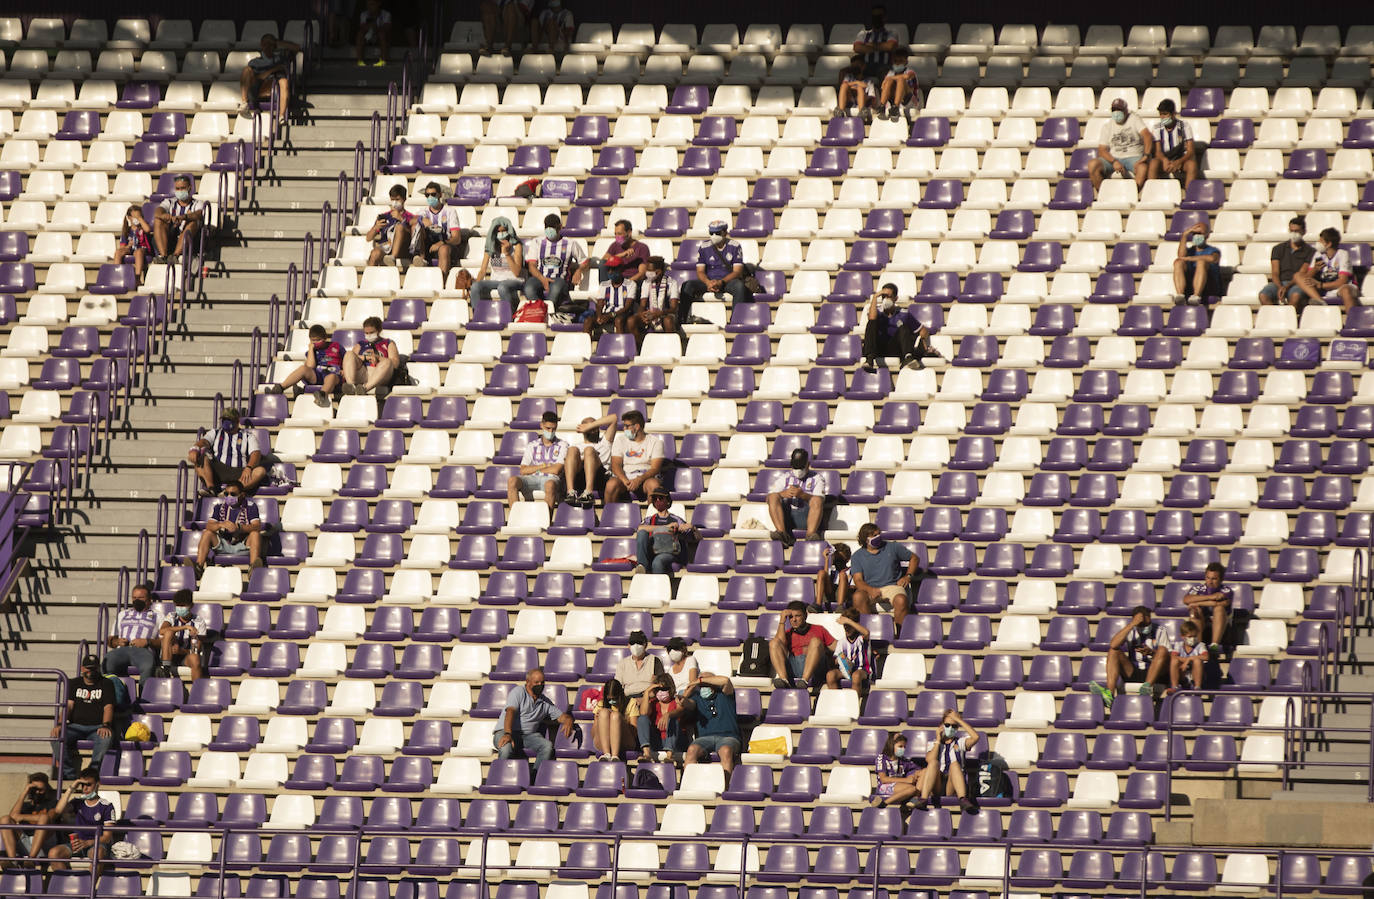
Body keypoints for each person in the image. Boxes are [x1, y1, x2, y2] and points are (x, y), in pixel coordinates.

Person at [594, 631, 664, 761]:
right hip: (625, 698)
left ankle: (636, 746)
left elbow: (660, 685)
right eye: (633, 643)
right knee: (606, 713)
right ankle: (608, 753)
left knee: (638, 713)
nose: (636, 646)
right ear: (628, 645)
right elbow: (617, 686)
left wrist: (645, 698)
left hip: (647, 697)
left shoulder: (655, 661)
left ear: (645, 645)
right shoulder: (623, 663)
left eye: (639, 643)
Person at [494, 667, 575, 774]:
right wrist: (508, 733)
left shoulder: (544, 701)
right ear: (527, 682)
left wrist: (569, 719)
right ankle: (499, 776)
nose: (540, 685)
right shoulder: (518, 692)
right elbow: (510, 712)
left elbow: (561, 716)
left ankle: (535, 777)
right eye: (536, 682)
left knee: (547, 746)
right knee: (505, 748)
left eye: (542, 682)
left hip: (529, 736)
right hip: (506, 731)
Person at [1090, 605, 1171, 707]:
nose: (1145, 627)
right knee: (1113, 651)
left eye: (1147, 624)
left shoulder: (1160, 630)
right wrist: (1132, 624)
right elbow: (1113, 644)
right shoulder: (1131, 630)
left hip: (1155, 672)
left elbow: (1168, 656)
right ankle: (1109, 693)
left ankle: (1147, 687)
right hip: (1134, 671)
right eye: (1142, 624)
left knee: (1162, 650)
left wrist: (1152, 653)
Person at [49, 656, 115, 781]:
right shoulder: (73, 683)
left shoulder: (106, 683)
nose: (91, 671)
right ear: (82, 668)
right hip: (75, 726)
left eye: (94, 668)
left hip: (97, 727)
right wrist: (59, 724)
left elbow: (108, 707)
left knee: (106, 736)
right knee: (56, 736)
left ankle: (92, 773)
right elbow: (68, 706)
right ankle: (69, 774)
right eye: (88, 668)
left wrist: (106, 725)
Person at [45, 768, 115, 872]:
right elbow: (58, 810)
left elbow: (107, 837)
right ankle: (66, 884)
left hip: (96, 844)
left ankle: (89, 887)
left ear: (97, 784)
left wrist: (87, 843)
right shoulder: (78, 802)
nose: (85, 789)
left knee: (97, 853)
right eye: (82, 785)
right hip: (77, 844)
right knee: (53, 853)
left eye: (88, 784)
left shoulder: (106, 806)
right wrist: (72, 787)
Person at [848, 524, 919, 627]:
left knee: (901, 600)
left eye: (879, 534)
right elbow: (858, 580)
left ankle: (900, 635)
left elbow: (914, 558)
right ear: (866, 539)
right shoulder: (857, 556)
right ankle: (868, 633)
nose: (878, 537)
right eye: (874, 535)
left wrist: (908, 576)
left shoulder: (893, 547)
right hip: (870, 588)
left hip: (892, 586)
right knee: (858, 597)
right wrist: (870, 589)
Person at [679, 221, 750, 323]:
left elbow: (737, 272)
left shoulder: (735, 246)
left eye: (717, 233)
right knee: (687, 285)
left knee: (739, 287)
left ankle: (736, 320)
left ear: (725, 233)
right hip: (710, 281)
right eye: (711, 233)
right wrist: (708, 282)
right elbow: (700, 271)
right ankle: (682, 319)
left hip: (727, 281)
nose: (714, 236)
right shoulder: (704, 247)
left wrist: (721, 282)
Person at [911, 709, 979, 814]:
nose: (950, 728)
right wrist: (938, 740)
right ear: (941, 725)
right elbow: (929, 760)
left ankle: (963, 799)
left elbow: (975, 737)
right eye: (947, 725)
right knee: (933, 763)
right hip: (937, 782)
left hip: (952, 784)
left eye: (954, 726)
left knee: (955, 764)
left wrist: (958, 720)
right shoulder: (933, 743)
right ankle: (923, 799)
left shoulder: (960, 742)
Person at [187, 407, 266, 497]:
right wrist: (195, 448)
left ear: (237, 421)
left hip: (239, 471)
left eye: (229, 419)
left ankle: (232, 491)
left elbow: (255, 453)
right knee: (200, 457)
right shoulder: (215, 432)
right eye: (224, 419)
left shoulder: (248, 436)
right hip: (219, 469)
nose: (226, 422)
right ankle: (211, 489)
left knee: (260, 471)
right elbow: (204, 441)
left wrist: (249, 467)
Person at [193, 481, 265, 577]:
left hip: (243, 544)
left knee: (255, 534)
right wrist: (221, 525)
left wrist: (239, 527)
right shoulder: (219, 507)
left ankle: (253, 569)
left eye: (233, 494)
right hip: (224, 544)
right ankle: (198, 567)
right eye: (226, 494)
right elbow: (209, 526)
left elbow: (257, 526)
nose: (229, 496)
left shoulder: (250, 506)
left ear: (242, 495)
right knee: (207, 533)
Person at [862, 283, 936, 372]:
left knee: (903, 327)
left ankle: (908, 357)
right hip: (879, 347)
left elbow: (923, 330)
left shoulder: (904, 313)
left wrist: (922, 339)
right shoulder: (876, 311)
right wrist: (875, 297)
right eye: (883, 296)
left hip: (895, 348)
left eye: (888, 296)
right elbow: (871, 318)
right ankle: (869, 359)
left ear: (895, 298)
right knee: (871, 324)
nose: (885, 299)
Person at [264, 324, 343, 407]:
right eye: (313, 341)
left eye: (318, 340)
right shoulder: (312, 352)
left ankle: (322, 395)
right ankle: (280, 387)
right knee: (303, 368)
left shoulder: (336, 346)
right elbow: (310, 366)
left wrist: (343, 370)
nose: (316, 343)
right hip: (318, 374)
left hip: (334, 374)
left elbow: (345, 359)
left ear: (325, 338)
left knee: (331, 377)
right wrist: (311, 349)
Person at [524, 213, 590, 313]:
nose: (549, 230)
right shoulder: (537, 242)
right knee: (529, 287)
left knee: (555, 289)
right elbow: (531, 266)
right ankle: (538, 311)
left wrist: (579, 270)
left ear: (559, 227)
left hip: (560, 280)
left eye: (552, 227)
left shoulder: (570, 243)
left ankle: (546, 312)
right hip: (540, 277)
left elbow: (585, 261)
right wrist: (542, 279)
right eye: (547, 227)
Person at [412, 183, 474, 283]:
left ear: (440, 195)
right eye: (427, 195)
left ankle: (441, 283)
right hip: (427, 246)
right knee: (417, 225)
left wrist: (442, 243)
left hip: (447, 246)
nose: (430, 197)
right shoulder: (422, 212)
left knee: (443, 249)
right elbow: (411, 222)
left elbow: (457, 238)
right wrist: (420, 220)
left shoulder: (450, 211)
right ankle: (422, 258)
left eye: (433, 194)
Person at [681, 672, 740, 778]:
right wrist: (684, 696)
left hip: (728, 737)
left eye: (706, 681)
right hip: (704, 738)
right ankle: (688, 784)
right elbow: (686, 703)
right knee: (692, 750)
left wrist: (700, 680)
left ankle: (724, 788)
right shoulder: (697, 698)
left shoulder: (725, 693)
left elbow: (726, 680)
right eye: (701, 684)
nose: (703, 685)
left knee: (726, 750)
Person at [767, 448, 830, 546]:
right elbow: (769, 498)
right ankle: (782, 534)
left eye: (801, 467)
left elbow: (820, 499)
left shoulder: (817, 478)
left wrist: (803, 495)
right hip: (788, 516)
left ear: (808, 465)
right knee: (772, 497)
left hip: (807, 515)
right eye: (795, 467)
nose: (798, 471)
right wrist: (782, 494)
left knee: (817, 500)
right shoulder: (785, 477)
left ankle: (810, 536)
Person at [507, 411, 569, 510]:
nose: (550, 432)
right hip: (532, 479)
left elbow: (556, 470)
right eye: (548, 428)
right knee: (512, 481)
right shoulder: (532, 445)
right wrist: (544, 466)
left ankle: (546, 519)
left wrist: (534, 469)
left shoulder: (563, 445)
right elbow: (523, 470)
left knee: (550, 484)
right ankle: (515, 516)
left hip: (551, 479)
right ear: (542, 425)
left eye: (553, 429)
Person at [769, 600, 837, 691]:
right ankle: (784, 680)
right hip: (795, 667)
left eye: (797, 616)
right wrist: (782, 621)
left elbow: (837, 647)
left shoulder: (819, 629)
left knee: (815, 641)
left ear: (805, 615)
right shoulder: (788, 633)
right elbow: (778, 643)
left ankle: (804, 680)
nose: (794, 620)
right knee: (773, 642)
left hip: (816, 668)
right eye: (791, 617)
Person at [1090, 98, 1153, 192]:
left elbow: (1147, 136)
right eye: (1114, 110)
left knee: (1142, 168)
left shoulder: (1134, 119)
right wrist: (1114, 161)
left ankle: (1132, 194)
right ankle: (1103, 194)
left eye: (1119, 110)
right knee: (1092, 164)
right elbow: (1102, 150)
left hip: (1134, 157)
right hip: (1114, 157)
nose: (1116, 113)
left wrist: (1146, 155)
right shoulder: (1107, 126)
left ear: (1126, 110)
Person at [102, 582, 159, 684]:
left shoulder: (158, 616)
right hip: (122, 650)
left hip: (143, 651)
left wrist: (147, 641)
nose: (137, 600)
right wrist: (117, 641)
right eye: (134, 597)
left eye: (141, 597)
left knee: (148, 665)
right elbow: (110, 640)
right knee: (107, 663)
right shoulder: (123, 614)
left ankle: (143, 696)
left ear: (149, 599)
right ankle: (112, 693)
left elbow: (163, 642)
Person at [1295, 226, 1361, 315]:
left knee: (1346, 290)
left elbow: (1342, 281)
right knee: (1298, 276)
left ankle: (1352, 320)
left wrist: (1321, 285)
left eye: (1320, 241)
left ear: (1328, 244)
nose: (1318, 243)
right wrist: (1314, 269)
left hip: (1340, 288)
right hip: (1322, 289)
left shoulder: (1343, 254)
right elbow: (1307, 278)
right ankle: (1320, 302)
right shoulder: (1318, 255)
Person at [635, 487, 698, 575]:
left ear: (667, 501)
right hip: (653, 549)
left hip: (669, 552)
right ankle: (642, 567)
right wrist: (666, 527)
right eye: (654, 498)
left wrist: (692, 528)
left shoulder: (675, 519)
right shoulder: (650, 519)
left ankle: (658, 587)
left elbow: (694, 537)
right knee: (642, 533)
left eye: (660, 498)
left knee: (658, 562)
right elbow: (640, 528)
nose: (657, 500)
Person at [605, 410, 664, 503]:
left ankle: (652, 517)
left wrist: (639, 480)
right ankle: (608, 515)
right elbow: (615, 465)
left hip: (646, 477)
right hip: (625, 476)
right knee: (611, 484)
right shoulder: (620, 440)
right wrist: (625, 480)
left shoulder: (655, 442)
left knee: (654, 485)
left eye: (627, 426)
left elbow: (655, 468)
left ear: (637, 426)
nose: (624, 429)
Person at [1259, 216, 1316, 311]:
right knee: (1263, 295)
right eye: (1291, 231)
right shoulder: (1278, 249)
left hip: (1297, 283)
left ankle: (1288, 318)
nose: (1294, 234)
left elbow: (1302, 273)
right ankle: (1274, 316)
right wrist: (1280, 287)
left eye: (1297, 231)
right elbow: (1275, 272)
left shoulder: (1310, 251)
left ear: (1304, 232)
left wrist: (1286, 287)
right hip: (1279, 282)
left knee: (1295, 296)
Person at [239, 34, 300, 119]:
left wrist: (277, 42)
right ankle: (244, 103)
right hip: (258, 88)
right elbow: (258, 78)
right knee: (246, 70)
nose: (267, 46)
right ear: (261, 45)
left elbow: (297, 48)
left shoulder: (281, 58)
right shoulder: (255, 62)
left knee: (284, 81)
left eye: (270, 44)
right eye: (265, 44)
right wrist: (274, 69)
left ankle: (281, 116)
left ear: (274, 46)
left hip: (275, 88)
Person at [565, 413, 619, 508]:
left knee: (589, 450)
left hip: (600, 477)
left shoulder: (605, 442)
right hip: (579, 476)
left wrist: (591, 425)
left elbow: (614, 418)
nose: (594, 430)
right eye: (591, 428)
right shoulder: (577, 446)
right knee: (572, 450)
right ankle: (570, 492)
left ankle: (588, 493)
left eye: (595, 427)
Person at [0, 772, 57, 861]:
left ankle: (31, 859)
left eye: (40, 789)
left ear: (46, 789)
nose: (37, 792)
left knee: (44, 818)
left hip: (44, 843)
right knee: (5, 819)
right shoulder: (25, 805)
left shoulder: (52, 803)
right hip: (26, 841)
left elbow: (49, 817)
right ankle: (12, 860)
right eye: (34, 789)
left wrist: (22, 817)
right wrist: (24, 793)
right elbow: (12, 817)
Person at [472, 215, 525, 310]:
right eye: (498, 231)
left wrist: (507, 253)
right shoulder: (490, 246)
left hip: (514, 281)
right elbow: (483, 270)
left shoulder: (516, 245)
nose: (501, 233)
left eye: (504, 231)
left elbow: (517, 272)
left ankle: (509, 315)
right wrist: (476, 284)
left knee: (502, 287)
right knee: (475, 286)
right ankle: (477, 315)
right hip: (496, 281)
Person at [627, 256, 681, 347]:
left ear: (658, 272)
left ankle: (670, 347)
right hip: (650, 314)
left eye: (649, 270)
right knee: (631, 321)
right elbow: (642, 305)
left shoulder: (672, 283)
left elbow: (673, 308)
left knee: (668, 321)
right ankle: (641, 347)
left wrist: (659, 313)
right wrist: (642, 314)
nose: (647, 272)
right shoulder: (646, 282)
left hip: (665, 314)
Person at [157, 589, 209, 680]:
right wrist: (185, 627)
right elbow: (162, 631)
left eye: (183, 605)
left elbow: (196, 649)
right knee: (168, 632)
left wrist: (180, 651)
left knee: (195, 659)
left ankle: (197, 690)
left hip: (185, 656)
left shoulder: (199, 621)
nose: (180, 608)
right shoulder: (172, 616)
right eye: (178, 605)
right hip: (169, 655)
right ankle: (165, 668)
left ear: (191, 606)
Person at [152, 176, 204, 265]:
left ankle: (175, 255)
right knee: (158, 220)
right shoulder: (169, 202)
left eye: (183, 188)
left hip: (190, 240)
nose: (180, 191)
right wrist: (167, 216)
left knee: (193, 222)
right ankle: (163, 256)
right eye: (177, 188)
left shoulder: (198, 203)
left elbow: (198, 214)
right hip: (171, 237)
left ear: (189, 188)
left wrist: (184, 217)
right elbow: (158, 211)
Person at [1184, 561, 1234, 655]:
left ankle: (1214, 645)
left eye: (1214, 579)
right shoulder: (1198, 588)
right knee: (1195, 611)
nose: (1210, 582)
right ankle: (1198, 647)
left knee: (1218, 609)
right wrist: (1211, 598)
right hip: (1202, 626)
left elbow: (1222, 604)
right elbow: (1186, 600)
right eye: (1208, 578)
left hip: (1222, 629)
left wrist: (1196, 602)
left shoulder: (1226, 590)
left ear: (1221, 579)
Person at [342, 316, 400, 396]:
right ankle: (351, 386)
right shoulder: (360, 344)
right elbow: (351, 359)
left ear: (379, 330)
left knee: (387, 361)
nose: (369, 335)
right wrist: (366, 357)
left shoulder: (388, 343)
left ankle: (364, 389)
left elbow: (395, 363)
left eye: (372, 332)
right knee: (349, 354)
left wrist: (378, 357)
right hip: (364, 372)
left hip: (380, 374)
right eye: (366, 333)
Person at [1149, 98, 1198, 188]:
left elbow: (1191, 151)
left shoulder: (1184, 126)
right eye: (1161, 114)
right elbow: (1158, 151)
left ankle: (1189, 195)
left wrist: (1178, 162)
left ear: (1173, 114)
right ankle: (1152, 192)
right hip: (1164, 159)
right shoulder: (1156, 128)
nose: (1163, 117)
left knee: (1192, 165)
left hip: (1181, 159)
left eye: (1165, 114)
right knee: (1153, 163)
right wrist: (1164, 160)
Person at [1173, 221, 1222, 306]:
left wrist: (1191, 258)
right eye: (1194, 233)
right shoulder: (1190, 251)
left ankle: (1196, 296)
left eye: (1200, 233)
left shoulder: (1213, 251)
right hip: (1190, 285)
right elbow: (1181, 256)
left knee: (1201, 263)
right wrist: (1185, 235)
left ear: (1207, 235)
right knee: (1178, 262)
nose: (1197, 236)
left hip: (1209, 286)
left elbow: (1212, 258)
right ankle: (1180, 295)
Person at [635, 673, 683, 761]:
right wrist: (646, 692)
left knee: (672, 719)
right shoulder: (653, 703)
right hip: (657, 740)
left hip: (674, 740)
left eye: (664, 689)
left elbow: (680, 711)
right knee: (642, 718)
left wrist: (668, 715)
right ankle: (647, 754)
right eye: (658, 689)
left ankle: (669, 756)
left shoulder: (676, 701)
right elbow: (643, 712)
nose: (661, 692)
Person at [827, 607, 871, 695]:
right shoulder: (842, 642)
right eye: (845, 626)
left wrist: (848, 620)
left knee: (856, 676)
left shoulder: (861, 638)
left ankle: (854, 705)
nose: (847, 628)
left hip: (861, 670)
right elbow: (836, 659)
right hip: (846, 670)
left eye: (849, 626)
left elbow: (866, 632)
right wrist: (842, 660)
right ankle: (836, 702)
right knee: (830, 675)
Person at [366, 184, 413, 267]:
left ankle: (392, 257)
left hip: (403, 249)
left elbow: (414, 236)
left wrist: (402, 219)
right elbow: (368, 238)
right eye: (392, 200)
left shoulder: (410, 217)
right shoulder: (384, 216)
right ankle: (369, 277)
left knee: (399, 227)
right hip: (386, 247)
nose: (394, 203)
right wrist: (375, 228)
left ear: (404, 199)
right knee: (375, 253)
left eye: (397, 200)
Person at [870, 732, 920, 809]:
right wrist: (906, 780)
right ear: (891, 745)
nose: (903, 749)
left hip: (899, 785)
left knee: (918, 788)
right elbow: (883, 779)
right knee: (912, 789)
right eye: (900, 746)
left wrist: (913, 775)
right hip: (884, 787)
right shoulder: (881, 758)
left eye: (904, 747)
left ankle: (906, 805)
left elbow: (916, 769)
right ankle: (884, 803)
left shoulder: (903, 760)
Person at [596, 219, 649, 286]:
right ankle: (604, 290)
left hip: (633, 282)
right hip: (617, 279)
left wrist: (625, 284)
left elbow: (642, 273)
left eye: (619, 234)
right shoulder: (615, 245)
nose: (617, 237)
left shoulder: (642, 248)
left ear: (629, 233)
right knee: (602, 263)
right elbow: (604, 261)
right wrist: (621, 255)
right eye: (615, 234)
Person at [584, 271, 635, 338]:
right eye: (609, 268)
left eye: (614, 269)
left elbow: (627, 307)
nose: (611, 271)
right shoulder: (604, 284)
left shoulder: (630, 284)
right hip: (607, 313)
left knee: (618, 320)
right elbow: (599, 304)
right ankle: (586, 346)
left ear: (620, 269)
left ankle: (620, 346)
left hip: (622, 313)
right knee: (588, 321)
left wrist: (611, 315)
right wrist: (599, 316)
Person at [876, 48, 919, 122]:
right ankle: (882, 107)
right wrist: (888, 79)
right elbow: (883, 87)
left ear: (906, 62)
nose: (898, 63)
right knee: (890, 80)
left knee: (900, 79)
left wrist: (887, 79)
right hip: (893, 97)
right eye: (896, 61)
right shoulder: (891, 73)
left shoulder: (910, 72)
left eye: (901, 61)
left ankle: (895, 107)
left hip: (910, 100)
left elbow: (906, 77)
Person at [1169, 620, 1210, 695]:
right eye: (1190, 637)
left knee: (1197, 661)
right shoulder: (1179, 645)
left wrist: (1189, 659)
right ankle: (1174, 686)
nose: (1193, 639)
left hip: (1195, 674)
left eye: (1195, 636)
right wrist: (1185, 660)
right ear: (1183, 636)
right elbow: (1173, 656)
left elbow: (1206, 657)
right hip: (1183, 674)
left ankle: (1197, 687)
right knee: (1174, 661)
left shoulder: (1200, 645)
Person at [116, 204, 155, 281]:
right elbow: (122, 246)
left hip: (142, 249)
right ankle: (117, 276)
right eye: (134, 217)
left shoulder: (142, 227)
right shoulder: (127, 230)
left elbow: (148, 230)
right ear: (129, 218)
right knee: (118, 252)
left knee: (138, 252)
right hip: (130, 249)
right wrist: (128, 246)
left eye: (139, 216)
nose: (136, 219)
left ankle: (137, 278)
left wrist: (139, 218)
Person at [834, 54, 876, 122]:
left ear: (863, 66)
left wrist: (859, 90)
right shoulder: (848, 77)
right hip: (850, 101)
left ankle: (862, 112)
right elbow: (844, 85)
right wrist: (856, 83)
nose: (855, 68)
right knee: (844, 86)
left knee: (860, 88)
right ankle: (840, 111)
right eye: (853, 66)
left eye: (857, 65)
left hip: (864, 102)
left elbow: (872, 97)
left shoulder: (869, 81)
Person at [816, 543, 852, 612]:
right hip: (829, 593)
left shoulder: (850, 570)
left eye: (840, 560)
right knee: (821, 572)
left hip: (843, 594)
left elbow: (853, 586)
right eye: (836, 559)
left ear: (847, 559)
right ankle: (818, 604)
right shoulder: (832, 570)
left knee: (842, 575)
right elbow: (825, 576)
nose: (837, 562)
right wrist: (826, 559)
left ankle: (840, 606)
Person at [354, 0, 392, 66]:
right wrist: (371, 27)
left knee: (382, 34)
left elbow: (387, 27)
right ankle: (360, 61)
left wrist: (375, 28)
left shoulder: (386, 14)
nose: (369, 7)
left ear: (378, 4)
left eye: (372, 4)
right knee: (360, 34)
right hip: (368, 37)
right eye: (368, 5)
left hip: (380, 38)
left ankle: (383, 61)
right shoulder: (364, 14)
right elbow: (362, 27)